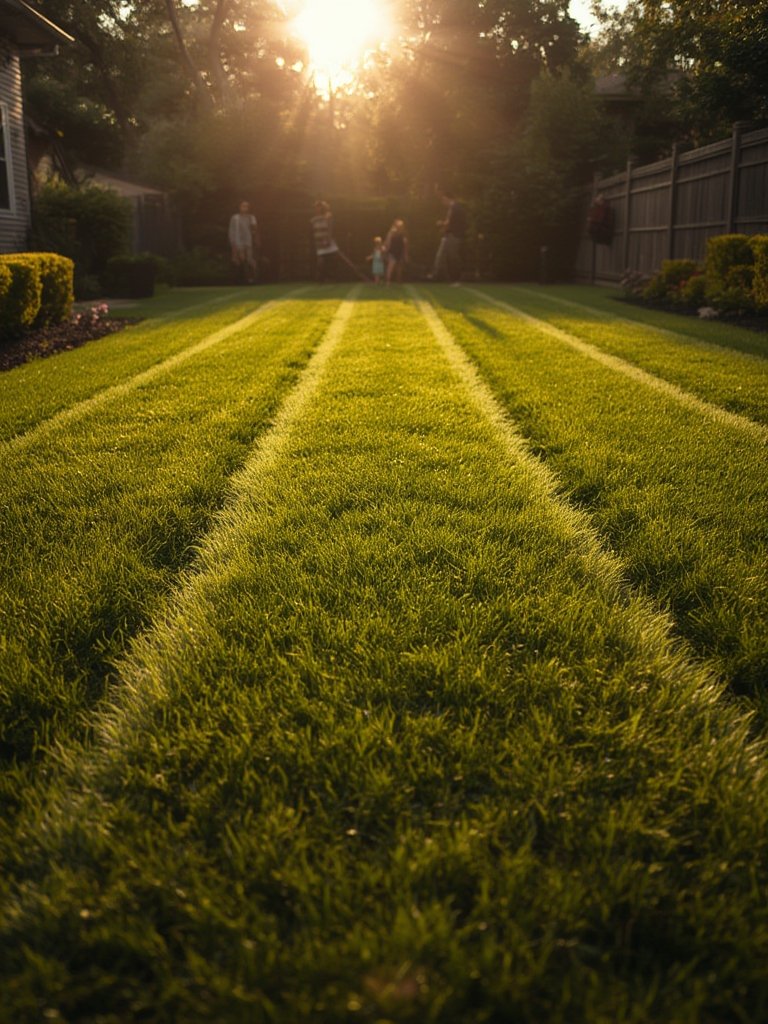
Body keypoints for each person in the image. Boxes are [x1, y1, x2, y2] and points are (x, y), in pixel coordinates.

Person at [431, 189, 467, 285]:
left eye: (443, 200)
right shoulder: (457, 208)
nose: (443, 202)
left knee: (452, 258)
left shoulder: (454, 208)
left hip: (453, 236)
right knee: (441, 257)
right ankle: (440, 277)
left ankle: (455, 279)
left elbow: (449, 222)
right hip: (451, 235)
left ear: (448, 198)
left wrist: (440, 224)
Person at [228, 200, 260, 283]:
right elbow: (231, 230)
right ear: (240, 207)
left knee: (249, 259)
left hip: (248, 240)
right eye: (243, 206)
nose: (244, 208)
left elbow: (254, 229)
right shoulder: (235, 217)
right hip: (238, 241)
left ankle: (253, 276)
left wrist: (255, 237)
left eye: (246, 206)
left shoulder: (251, 217)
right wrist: (232, 242)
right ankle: (242, 278)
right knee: (240, 258)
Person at [310, 200, 341, 282]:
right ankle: (320, 279)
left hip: (328, 242)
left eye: (319, 207)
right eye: (316, 207)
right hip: (319, 244)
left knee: (333, 260)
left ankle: (333, 278)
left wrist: (328, 239)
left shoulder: (328, 217)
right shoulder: (314, 219)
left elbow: (330, 228)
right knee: (320, 262)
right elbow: (314, 229)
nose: (317, 209)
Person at [384, 219, 409, 285]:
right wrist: (386, 249)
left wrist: (405, 254)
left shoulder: (403, 233)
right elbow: (388, 241)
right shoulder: (391, 232)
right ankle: (388, 281)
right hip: (392, 252)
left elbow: (405, 243)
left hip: (399, 252)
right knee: (391, 267)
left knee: (399, 267)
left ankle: (398, 281)